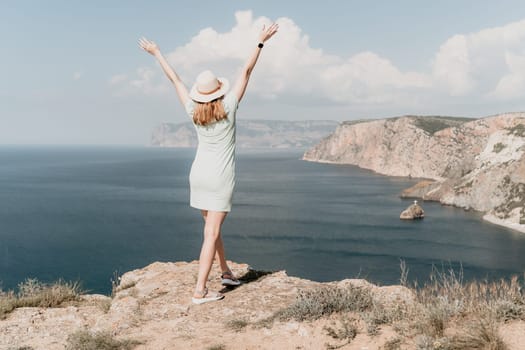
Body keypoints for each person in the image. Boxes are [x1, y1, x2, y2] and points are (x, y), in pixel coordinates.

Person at [139, 23, 279, 304]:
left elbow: (175, 80)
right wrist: (260, 42)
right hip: (219, 177)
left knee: (212, 230)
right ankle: (199, 291)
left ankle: (226, 272)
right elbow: (245, 71)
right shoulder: (229, 107)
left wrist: (157, 53)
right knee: (211, 232)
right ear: (218, 90)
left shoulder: (193, 111)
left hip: (199, 174)